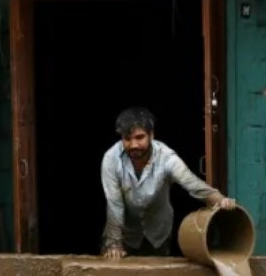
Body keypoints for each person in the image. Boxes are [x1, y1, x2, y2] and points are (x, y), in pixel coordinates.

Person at [101, 107, 235, 260]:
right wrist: (114, 243)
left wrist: (219, 200)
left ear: (152, 135)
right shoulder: (111, 159)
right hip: (124, 233)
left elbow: (191, 183)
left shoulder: (166, 157)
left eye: (139, 137)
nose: (134, 145)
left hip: (158, 233)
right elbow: (114, 204)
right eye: (127, 138)